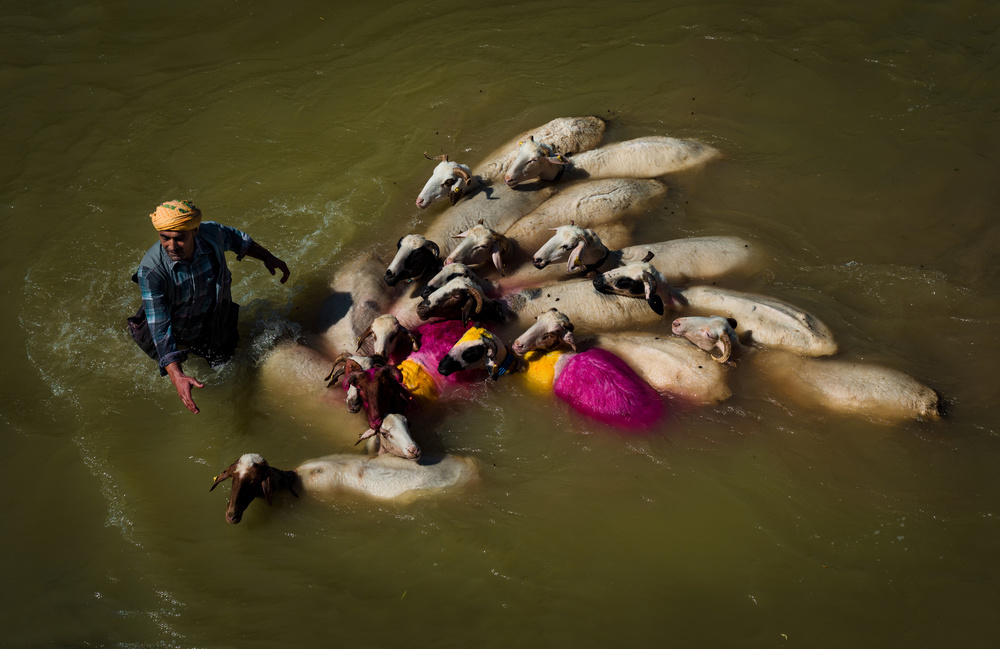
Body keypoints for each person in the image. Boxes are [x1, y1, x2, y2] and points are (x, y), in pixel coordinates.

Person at [127, 199, 290, 414]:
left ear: (194, 230)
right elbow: (160, 326)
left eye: (179, 238)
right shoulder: (152, 271)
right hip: (174, 330)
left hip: (213, 321)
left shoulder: (211, 234)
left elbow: (238, 240)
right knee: (169, 355)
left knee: (227, 369)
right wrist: (177, 375)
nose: (171, 246)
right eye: (164, 238)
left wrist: (267, 256)